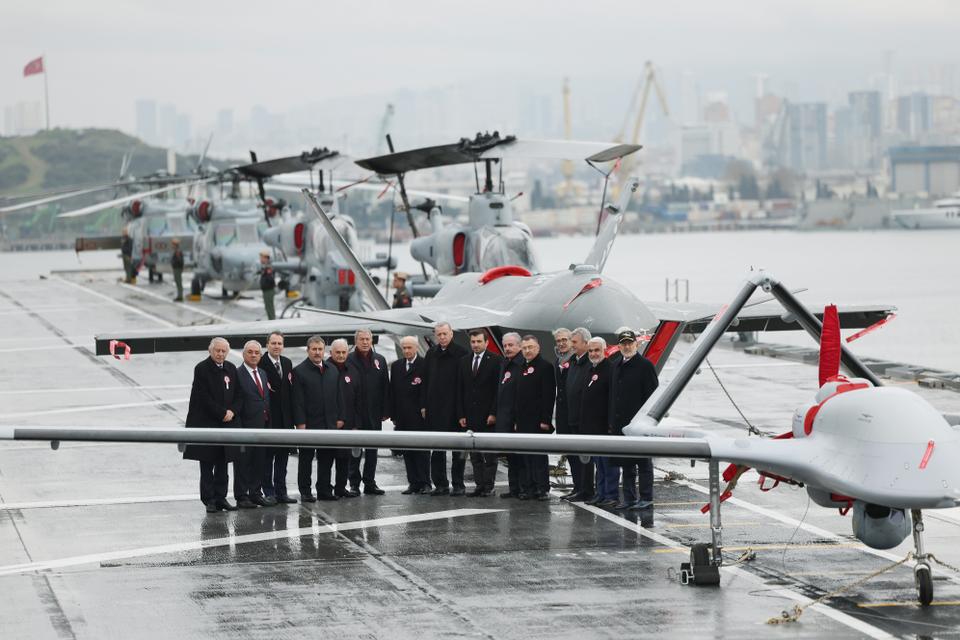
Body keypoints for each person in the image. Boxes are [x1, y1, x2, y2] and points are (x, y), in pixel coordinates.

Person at [183, 337, 242, 513]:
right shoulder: (202, 369)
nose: (220, 354)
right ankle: (209, 499)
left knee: (223, 463)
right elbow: (203, 397)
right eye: (217, 350)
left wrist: (232, 411)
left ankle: (221, 497)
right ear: (210, 351)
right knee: (207, 463)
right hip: (207, 423)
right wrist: (221, 413)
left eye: (224, 351)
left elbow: (239, 394)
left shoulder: (231, 368)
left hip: (227, 423)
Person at [609, 328, 659, 511]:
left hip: (639, 424)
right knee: (626, 463)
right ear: (619, 346)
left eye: (630, 343)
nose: (627, 346)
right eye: (623, 343)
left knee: (643, 462)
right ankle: (629, 498)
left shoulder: (645, 366)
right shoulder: (615, 365)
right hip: (621, 424)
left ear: (636, 344)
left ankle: (646, 497)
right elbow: (612, 396)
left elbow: (654, 396)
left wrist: (649, 422)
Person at [293, 336, 344, 501]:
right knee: (306, 459)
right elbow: (298, 401)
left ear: (324, 350)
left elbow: (338, 396)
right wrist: (300, 423)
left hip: (329, 423)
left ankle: (324, 490)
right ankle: (305, 491)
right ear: (308, 350)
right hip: (309, 424)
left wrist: (339, 418)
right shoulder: (299, 371)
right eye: (314, 349)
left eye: (320, 349)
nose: (317, 352)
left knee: (326, 459)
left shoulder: (332, 370)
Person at [421, 321, 469, 496]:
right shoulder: (431, 354)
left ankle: (458, 484)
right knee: (437, 449)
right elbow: (425, 382)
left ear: (451, 334)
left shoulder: (462, 354)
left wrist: (463, 411)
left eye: (444, 334)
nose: (441, 337)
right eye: (438, 334)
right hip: (435, 408)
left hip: (455, 408)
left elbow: (465, 385)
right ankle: (440, 484)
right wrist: (424, 405)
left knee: (458, 450)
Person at [457, 329, 503, 497]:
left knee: (490, 455)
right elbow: (459, 390)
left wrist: (493, 413)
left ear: (486, 342)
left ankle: (489, 486)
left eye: (478, 341)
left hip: (488, 416)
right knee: (475, 455)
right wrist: (461, 414)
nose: (475, 345)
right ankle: (479, 485)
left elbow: (498, 391)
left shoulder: (496, 361)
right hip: (469, 416)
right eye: (473, 342)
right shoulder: (463, 361)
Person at [347, 329, 390, 495]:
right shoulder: (349, 360)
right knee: (355, 450)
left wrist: (386, 410)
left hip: (374, 412)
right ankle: (354, 483)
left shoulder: (380, 360)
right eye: (362, 339)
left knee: (372, 450)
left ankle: (370, 482)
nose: (365, 342)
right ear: (356, 341)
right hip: (355, 413)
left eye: (368, 339)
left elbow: (385, 386)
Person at [514, 334, 556, 500]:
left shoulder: (545, 367)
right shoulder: (520, 367)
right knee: (525, 457)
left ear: (537, 348)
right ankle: (528, 487)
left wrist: (545, 420)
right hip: (523, 420)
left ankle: (542, 488)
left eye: (530, 347)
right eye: (524, 348)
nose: (527, 351)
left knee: (538, 457)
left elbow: (548, 395)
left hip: (538, 421)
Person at [234, 340, 273, 508]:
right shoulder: (237, 374)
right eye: (250, 352)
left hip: (262, 426)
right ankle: (242, 496)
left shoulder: (263, 373)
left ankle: (255, 493)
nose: (254, 355)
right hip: (245, 426)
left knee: (259, 461)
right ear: (244, 354)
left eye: (257, 352)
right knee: (243, 463)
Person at [389, 336, 430, 494]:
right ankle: (413, 482)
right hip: (402, 416)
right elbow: (393, 391)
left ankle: (425, 482)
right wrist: (393, 414)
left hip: (419, 416)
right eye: (404, 348)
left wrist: (425, 407)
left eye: (409, 348)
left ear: (416, 347)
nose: (406, 351)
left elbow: (426, 389)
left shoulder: (424, 365)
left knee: (422, 451)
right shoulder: (397, 366)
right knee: (407, 451)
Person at [262, 331, 296, 504]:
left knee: (282, 458)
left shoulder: (287, 363)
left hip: (285, 421)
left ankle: (281, 491)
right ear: (267, 344)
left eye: (279, 343)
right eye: (273, 343)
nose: (276, 346)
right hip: (269, 420)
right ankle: (268, 491)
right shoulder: (260, 363)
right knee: (268, 458)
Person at [579, 337, 612, 505]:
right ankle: (600, 493)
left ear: (604, 350)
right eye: (591, 351)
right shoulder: (590, 369)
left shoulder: (610, 370)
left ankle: (610, 495)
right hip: (591, 426)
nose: (593, 353)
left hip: (604, 426)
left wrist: (610, 425)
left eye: (597, 350)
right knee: (598, 464)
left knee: (608, 464)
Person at [561, 327, 592, 501]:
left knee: (585, 458)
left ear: (586, 343)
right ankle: (577, 486)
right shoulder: (573, 361)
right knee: (573, 455)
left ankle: (586, 489)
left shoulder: (590, 363)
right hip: (571, 417)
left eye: (574, 342)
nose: (571, 345)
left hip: (584, 419)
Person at [329, 339, 361, 497]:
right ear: (331, 353)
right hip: (329, 423)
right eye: (338, 352)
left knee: (344, 459)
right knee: (327, 460)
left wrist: (355, 424)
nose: (341, 355)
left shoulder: (352, 371)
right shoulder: (325, 369)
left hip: (348, 423)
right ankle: (325, 489)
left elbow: (357, 399)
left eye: (343, 352)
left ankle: (341, 488)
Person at [495, 332, 524, 498]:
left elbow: (520, 396)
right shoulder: (505, 363)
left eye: (511, 345)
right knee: (511, 456)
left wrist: (516, 419)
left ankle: (522, 487)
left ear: (519, 346)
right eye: (505, 345)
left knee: (520, 457)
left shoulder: (521, 365)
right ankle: (514, 488)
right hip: (504, 417)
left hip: (515, 418)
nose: (507, 348)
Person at [259, 251, 277, 320]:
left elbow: (270, 279)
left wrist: (265, 274)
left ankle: (272, 320)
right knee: (267, 306)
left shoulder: (268, 267)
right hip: (266, 289)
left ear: (266, 258)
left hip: (268, 290)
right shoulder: (265, 267)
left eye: (262, 258)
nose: (260, 259)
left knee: (269, 306)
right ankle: (271, 319)